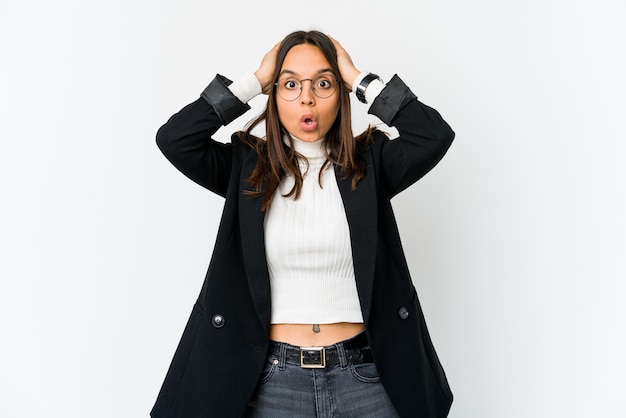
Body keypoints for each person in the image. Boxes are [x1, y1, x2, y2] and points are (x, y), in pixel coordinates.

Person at [151, 30, 454, 418]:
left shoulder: (371, 164)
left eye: (323, 84)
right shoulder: (246, 168)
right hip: (273, 382)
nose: (306, 98)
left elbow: (434, 135)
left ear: (341, 95)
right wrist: (254, 81)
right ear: (274, 96)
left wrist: (358, 77)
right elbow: (176, 139)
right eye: (290, 84)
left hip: (366, 378)